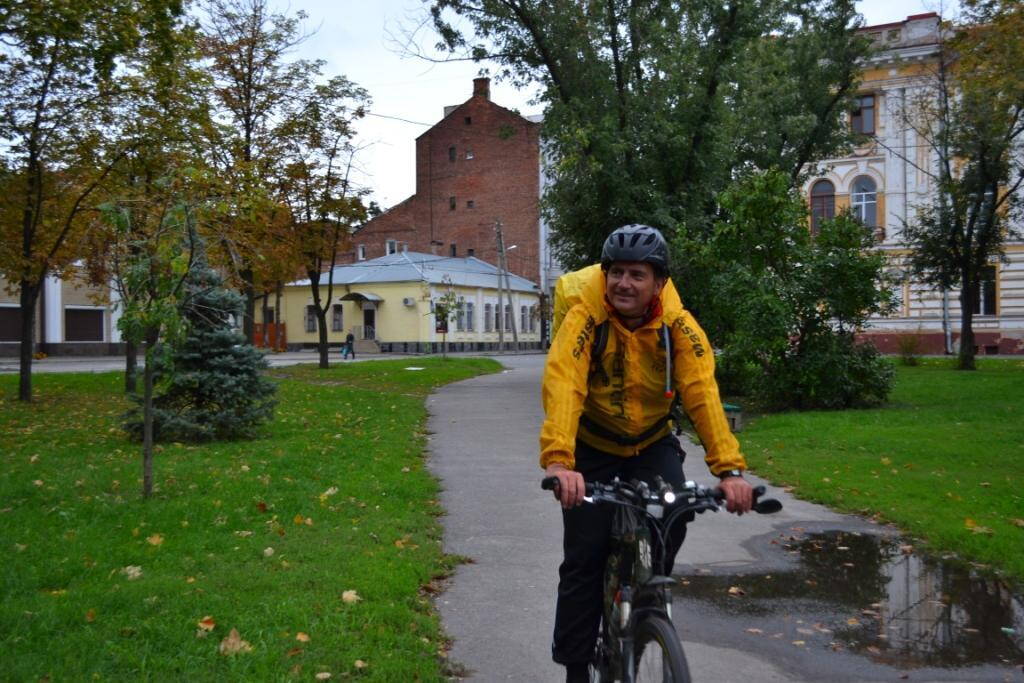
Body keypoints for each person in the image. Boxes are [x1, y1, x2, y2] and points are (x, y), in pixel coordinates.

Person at [539, 223, 753, 682]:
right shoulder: (585, 317)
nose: (624, 284)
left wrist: (730, 470)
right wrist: (560, 461)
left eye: (637, 275)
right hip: (593, 445)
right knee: (584, 559)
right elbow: (564, 384)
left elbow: (702, 392)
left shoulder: (678, 325)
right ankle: (576, 667)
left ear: (659, 283)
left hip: (652, 442)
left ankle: (647, 600)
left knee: (675, 511)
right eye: (616, 272)